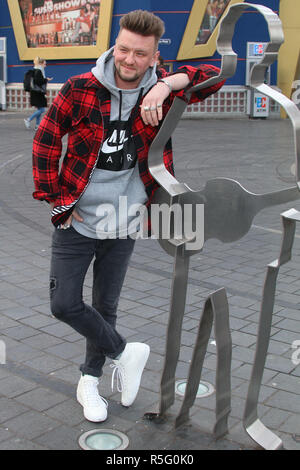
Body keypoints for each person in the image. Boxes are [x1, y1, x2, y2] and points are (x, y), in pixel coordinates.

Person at [32, 10, 225, 423]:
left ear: (154, 57)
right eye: (123, 49)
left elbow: (216, 74)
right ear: (113, 46)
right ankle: (125, 352)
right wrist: (56, 200)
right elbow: (46, 141)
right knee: (64, 304)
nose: (129, 59)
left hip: (127, 219)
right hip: (79, 219)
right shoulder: (80, 88)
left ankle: (91, 379)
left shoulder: (163, 89)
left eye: (140, 54)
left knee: (106, 305)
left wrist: (169, 84)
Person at [24, 57, 52, 131]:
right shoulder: (39, 71)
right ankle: (28, 119)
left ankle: (37, 125)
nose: (45, 65)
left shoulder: (36, 70)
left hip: (36, 92)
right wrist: (46, 80)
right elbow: (38, 81)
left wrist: (45, 79)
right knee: (42, 110)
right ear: (41, 63)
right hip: (37, 92)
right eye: (44, 64)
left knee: (40, 109)